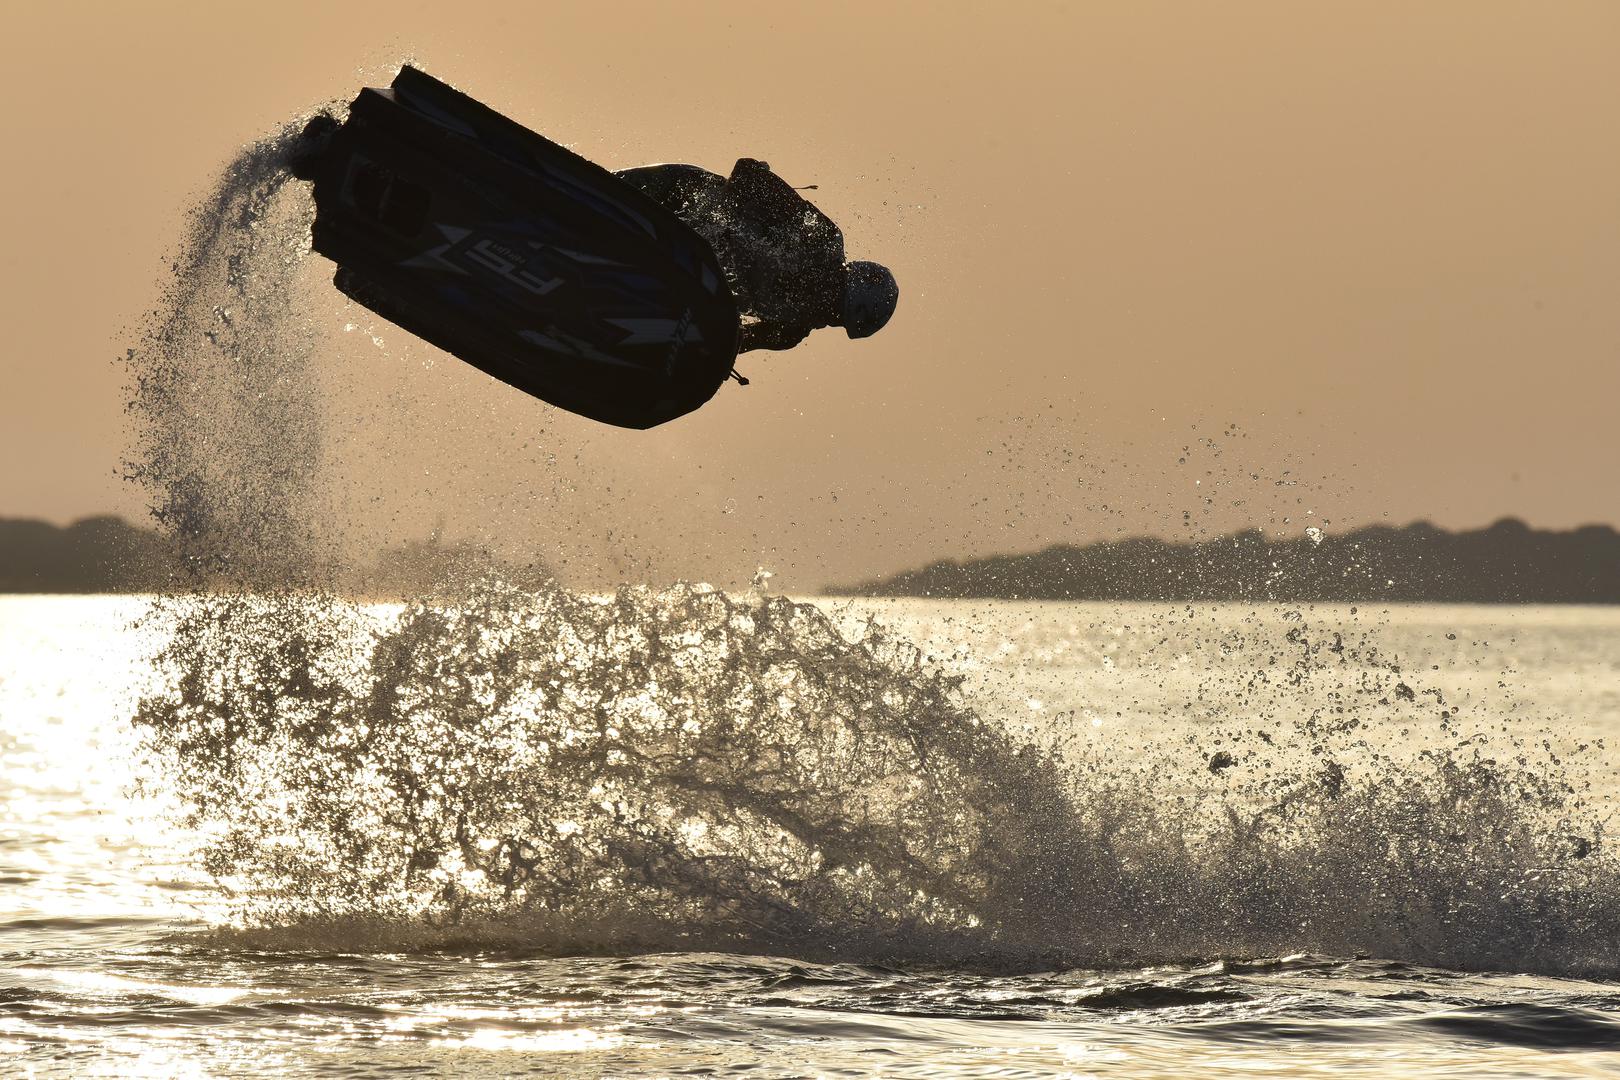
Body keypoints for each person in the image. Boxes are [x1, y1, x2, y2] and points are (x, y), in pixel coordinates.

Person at [617, 159, 898, 353]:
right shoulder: (820, 242)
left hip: (663, 267)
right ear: (841, 279)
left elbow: (724, 346)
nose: (827, 318)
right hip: (675, 195)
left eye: (837, 321)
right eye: (836, 307)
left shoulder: (789, 330)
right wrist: (726, 225)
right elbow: (746, 171)